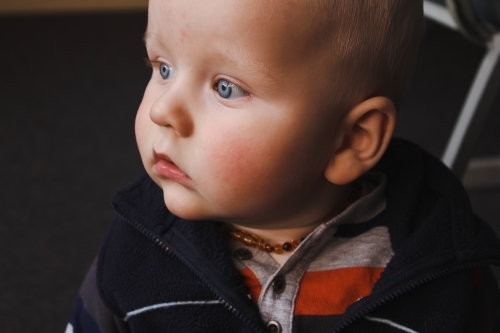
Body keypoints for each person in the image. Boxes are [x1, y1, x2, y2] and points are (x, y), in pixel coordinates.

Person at [66, 0, 500, 332]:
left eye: (225, 87)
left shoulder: (443, 274)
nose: (163, 110)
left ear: (349, 141)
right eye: (162, 66)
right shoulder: (138, 245)